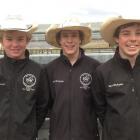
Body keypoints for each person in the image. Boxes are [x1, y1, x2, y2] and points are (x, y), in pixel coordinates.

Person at [44, 18, 100, 140]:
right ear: (59, 40)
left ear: (80, 39)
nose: (70, 40)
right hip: (58, 136)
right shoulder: (50, 69)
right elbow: (45, 105)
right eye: (65, 36)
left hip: (87, 136)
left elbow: (101, 105)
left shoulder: (95, 67)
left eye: (74, 35)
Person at [0, 16, 49, 140]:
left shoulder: (38, 70)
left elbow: (42, 106)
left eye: (20, 39)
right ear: (2, 41)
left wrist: (30, 129)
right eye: (9, 39)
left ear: (27, 41)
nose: (15, 44)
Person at [92, 16, 140, 140]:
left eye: (138, 33)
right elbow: (101, 110)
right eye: (126, 34)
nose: (133, 39)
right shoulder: (102, 72)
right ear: (116, 38)